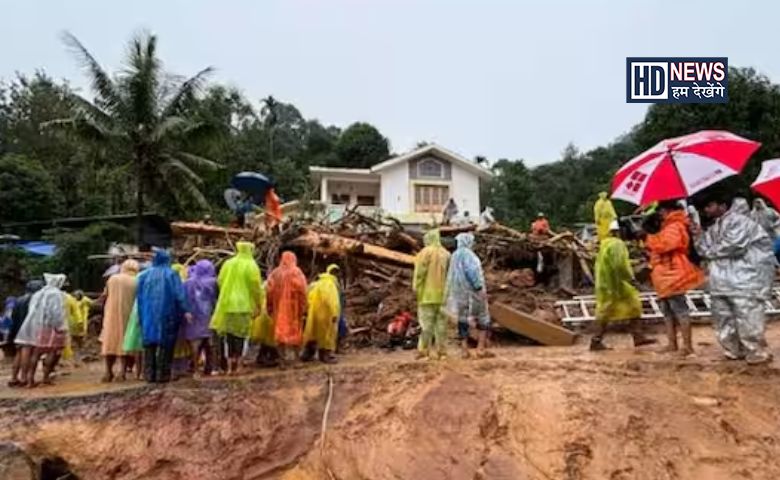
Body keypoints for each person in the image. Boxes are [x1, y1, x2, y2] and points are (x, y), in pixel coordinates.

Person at [695, 197, 775, 365]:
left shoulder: (741, 222)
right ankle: (732, 350)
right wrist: (697, 235)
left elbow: (733, 247)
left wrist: (709, 250)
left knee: (748, 317)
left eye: (710, 204)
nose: (707, 210)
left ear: (723, 205)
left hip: (745, 279)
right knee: (723, 318)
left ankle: (755, 351)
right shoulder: (715, 227)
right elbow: (703, 249)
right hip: (721, 281)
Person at [644, 201, 704, 357]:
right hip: (664, 273)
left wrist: (650, 237)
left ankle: (687, 346)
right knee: (667, 311)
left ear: (666, 210)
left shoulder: (674, 226)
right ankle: (672, 344)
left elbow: (666, 245)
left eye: (661, 212)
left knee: (680, 310)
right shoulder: (669, 226)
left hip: (673, 273)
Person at [590, 221, 656, 351]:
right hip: (616, 284)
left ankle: (638, 336)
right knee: (608, 312)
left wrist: (634, 262)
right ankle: (596, 340)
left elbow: (617, 261)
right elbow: (620, 265)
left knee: (630, 307)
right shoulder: (618, 245)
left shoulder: (606, 243)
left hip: (607, 283)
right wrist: (631, 279)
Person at [137, 250, 191, 383]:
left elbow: (139, 298)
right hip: (167, 313)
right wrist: (186, 310)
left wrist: (140, 315)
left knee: (149, 344)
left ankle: (149, 374)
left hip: (148, 314)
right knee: (166, 345)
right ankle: (163, 374)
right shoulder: (172, 274)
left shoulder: (144, 276)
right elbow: (179, 294)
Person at [210, 242, 263, 376]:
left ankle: (229, 367)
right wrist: (259, 303)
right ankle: (238, 365)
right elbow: (256, 287)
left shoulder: (228, 263)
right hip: (243, 305)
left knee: (229, 336)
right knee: (241, 335)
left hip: (227, 304)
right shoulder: (251, 265)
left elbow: (220, 280)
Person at [15, 273, 68, 387]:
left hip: (36, 326)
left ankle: (30, 380)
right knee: (52, 351)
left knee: (36, 353)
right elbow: (56, 313)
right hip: (50, 327)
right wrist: (60, 327)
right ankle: (45, 377)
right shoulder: (57, 294)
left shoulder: (38, 293)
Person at [445, 233, 491, 359]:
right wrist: (479, 288)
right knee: (483, 317)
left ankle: (464, 350)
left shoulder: (454, 256)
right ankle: (480, 348)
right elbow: (473, 273)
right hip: (472, 293)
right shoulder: (470, 256)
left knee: (462, 320)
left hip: (458, 294)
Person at [414, 229, 451, 360]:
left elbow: (419, 274)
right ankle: (442, 353)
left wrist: (416, 289)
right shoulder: (446, 254)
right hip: (443, 297)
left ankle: (424, 352)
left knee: (426, 326)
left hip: (426, 296)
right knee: (442, 327)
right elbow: (449, 276)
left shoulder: (424, 253)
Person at [100, 259, 139, 382]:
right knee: (125, 342)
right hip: (129, 315)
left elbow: (104, 295)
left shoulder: (113, 279)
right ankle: (122, 372)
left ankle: (108, 372)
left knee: (109, 341)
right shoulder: (137, 281)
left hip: (111, 315)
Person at [266, 251, 308, 367]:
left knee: (280, 334)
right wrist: (305, 306)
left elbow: (269, 291)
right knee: (295, 332)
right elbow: (303, 290)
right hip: (293, 308)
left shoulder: (275, 273)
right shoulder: (296, 272)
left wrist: (269, 306)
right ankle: (296, 359)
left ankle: (282, 360)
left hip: (278, 308)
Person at [182, 260, 218, 377]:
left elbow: (184, 299)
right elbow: (216, 299)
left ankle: (196, 369)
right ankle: (210, 368)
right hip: (209, 315)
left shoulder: (187, 283)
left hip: (193, 316)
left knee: (195, 344)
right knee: (210, 344)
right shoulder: (213, 282)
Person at [301, 265, 341, 364]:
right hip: (326, 314)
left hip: (314, 313)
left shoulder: (317, 283)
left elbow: (308, 295)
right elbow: (332, 301)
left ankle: (307, 353)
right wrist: (334, 313)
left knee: (313, 333)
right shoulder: (330, 284)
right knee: (326, 335)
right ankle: (325, 355)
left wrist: (306, 310)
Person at [7, 280, 43, 387]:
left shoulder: (18, 300)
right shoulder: (36, 300)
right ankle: (25, 378)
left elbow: (13, 317)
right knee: (30, 353)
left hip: (18, 329)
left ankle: (14, 377)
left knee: (19, 353)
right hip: (30, 330)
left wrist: (11, 333)